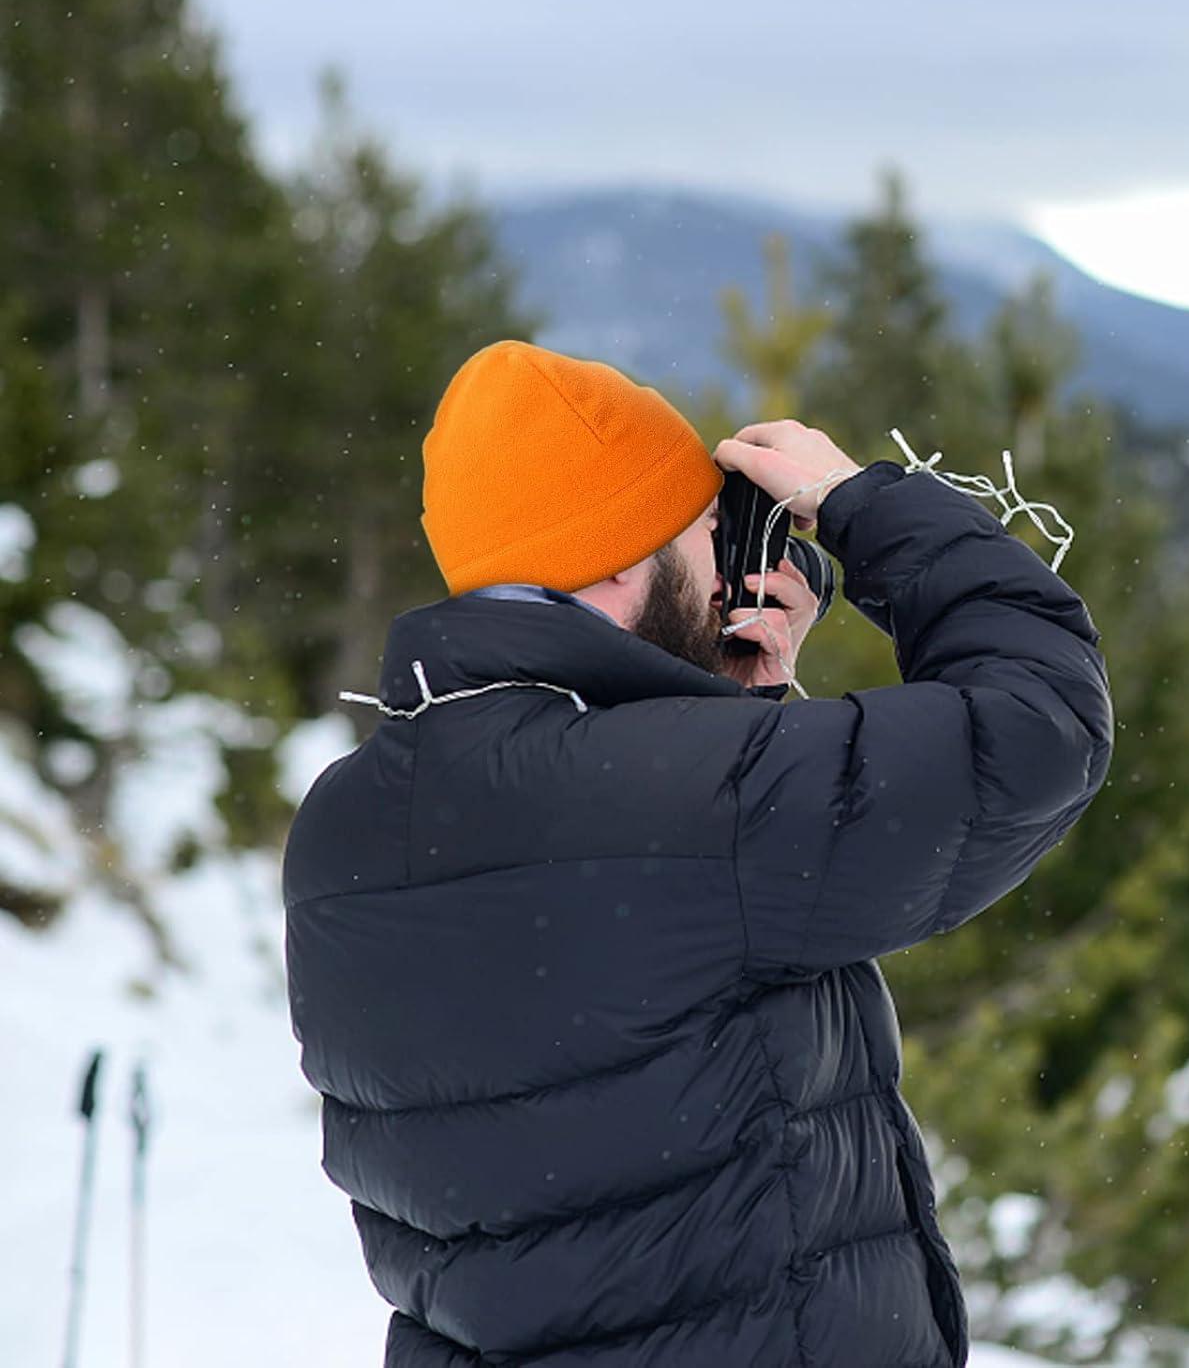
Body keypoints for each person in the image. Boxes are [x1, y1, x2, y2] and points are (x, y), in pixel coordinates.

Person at [282, 339, 1114, 1368]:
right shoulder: (694, 800)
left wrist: (739, 709)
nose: (730, 573)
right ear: (622, 554)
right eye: (711, 533)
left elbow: (620, 1018)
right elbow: (1039, 728)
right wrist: (863, 502)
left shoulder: (347, 821)